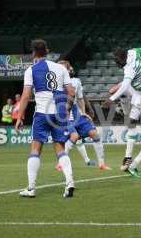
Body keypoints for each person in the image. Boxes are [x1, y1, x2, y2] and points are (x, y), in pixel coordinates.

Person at [15, 39, 76, 198]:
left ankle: (31, 188)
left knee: (35, 149)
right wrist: (66, 110)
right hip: (59, 114)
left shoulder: (31, 70)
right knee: (60, 149)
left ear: (33, 53)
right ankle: (69, 183)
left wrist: (19, 117)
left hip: (42, 113)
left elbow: (26, 96)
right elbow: (71, 92)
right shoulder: (61, 68)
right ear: (47, 51)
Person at [104, 46, 141, 173]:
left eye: (117, 59)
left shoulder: (130, 70)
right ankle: (131, 160)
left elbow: (125, 84)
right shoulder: (133, 52)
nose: (116, 62)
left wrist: (112, 98)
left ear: (124, 57)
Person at [58, 60, 110, 171]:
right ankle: (61, 163)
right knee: (75, 137)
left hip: (76, 112)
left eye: (64, 68)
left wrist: (84, 112)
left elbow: (81, 98)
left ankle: (102, 164)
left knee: (94, 134)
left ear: (68, 70)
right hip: (64, 113)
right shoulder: (55, 83)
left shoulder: (76, 81)